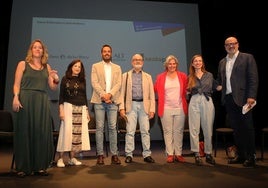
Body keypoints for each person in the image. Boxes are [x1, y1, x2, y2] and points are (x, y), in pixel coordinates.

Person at [12, 39, 59, 177]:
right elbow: (16, 84)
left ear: (43, 51)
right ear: (31, 50)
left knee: (41, 133)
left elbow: (53, 87)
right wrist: (16, 96)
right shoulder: (22, 64)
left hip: (41, 101)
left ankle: (39, 166)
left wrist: (55, 78)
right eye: (35, 47)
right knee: (24, 133)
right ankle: (22, 167)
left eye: (40, 48)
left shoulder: (47, 67)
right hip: (25, 99)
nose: (38, 49)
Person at [216, 36, 258, 167]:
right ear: (225, 47)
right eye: (228, 44)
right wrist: (216, 85)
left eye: (233, 43)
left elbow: (253, 78)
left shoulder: (247, 58)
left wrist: (251, 96)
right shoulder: (222, 62)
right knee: (236, 129)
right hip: (229, 99)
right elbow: (220, 80)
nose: (231, 46)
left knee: (247, 128)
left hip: (244, 99)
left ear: (238, 44)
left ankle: (251, 157)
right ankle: (241, 155)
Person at [119, 53, 155, 163]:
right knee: (130, 131)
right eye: (135, 59)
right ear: (131, 62)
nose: (137, 61)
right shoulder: (125, 76)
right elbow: (121, 94)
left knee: (145, 131)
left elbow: (151, 95)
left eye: (139, 59)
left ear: (143, 62)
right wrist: (121, 108)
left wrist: (152, 109)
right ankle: (129, 154)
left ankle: (147, 154)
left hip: (145, 106)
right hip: (131, 106)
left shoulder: (148, 76)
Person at [90, 44, 122, 165]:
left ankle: (114, 155)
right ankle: (100, 155)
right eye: (104, 51)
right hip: (99, 100)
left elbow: (118, 84)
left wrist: (110, 95)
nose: (107, 53)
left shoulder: (117, 67)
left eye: (109, 51)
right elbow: (94, 82)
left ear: (111, 53)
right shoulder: (95, 66)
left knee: (113, 128)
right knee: (99, 128)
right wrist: (104, 95)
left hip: (113, 101)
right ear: (101, 53)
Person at [56, 59, 91, 168]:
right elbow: (61, 96)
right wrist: (61, 110)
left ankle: (72, 158)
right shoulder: (65, 79)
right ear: (71, 67)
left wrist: (87, 111)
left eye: (79, 67)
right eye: (75, 66)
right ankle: (60, 158)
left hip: (80, 109)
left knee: (77, 136)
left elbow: (85, 97)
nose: (77, 68)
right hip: (68, 108)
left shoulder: (82, 80)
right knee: (65, 134)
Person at [187, 54, 221, 166]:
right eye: (195, 61)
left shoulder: (209, 75)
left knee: (208, 129)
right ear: (192, 64)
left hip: (207, 101)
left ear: (202, 63)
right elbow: (186, 91)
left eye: (199, 61)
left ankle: (208, 154)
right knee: (194, 129)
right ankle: (196, 154)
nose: (197, 63)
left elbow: (218, 87)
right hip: (194, 101)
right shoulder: (190, 77)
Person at [154, 55, 188, 163]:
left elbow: (188, 88)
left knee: (178, 131)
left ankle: (178, 153)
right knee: (168, 132)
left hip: (179, 107)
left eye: (174, 64)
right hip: (166, 108)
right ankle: (170, 153)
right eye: (170, 64)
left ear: (176, 65)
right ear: (166, 65)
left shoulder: (182, 76)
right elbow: (154, 89)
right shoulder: (160, 77)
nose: (172, 65)